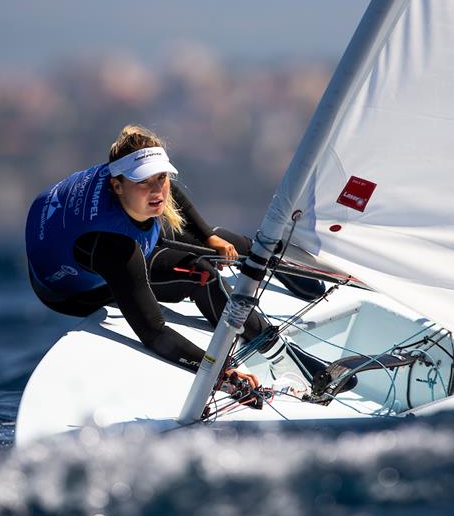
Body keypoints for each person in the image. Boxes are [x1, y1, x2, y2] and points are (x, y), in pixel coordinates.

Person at [25, 124, 328, 391]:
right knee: (202, 274)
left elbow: (170, 194)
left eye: (162, 178)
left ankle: (315, 287)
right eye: (144, 181)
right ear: (117, 185)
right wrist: (222, 376)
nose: (157, 190)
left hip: (87, 230)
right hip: (70, 291)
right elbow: (154, 333)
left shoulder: (127, 181)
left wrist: (209, 235)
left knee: (226, 243)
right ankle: (275, 351)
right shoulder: (114, 248)